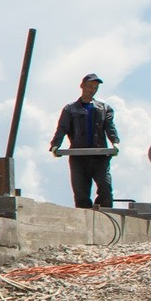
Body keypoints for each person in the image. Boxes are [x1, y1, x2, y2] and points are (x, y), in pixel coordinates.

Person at [49, 73, 120, 209]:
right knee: (81, 192)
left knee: (105, 187)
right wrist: (55, 146)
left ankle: (104, 216)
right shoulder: (70, 109)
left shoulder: (104, 109)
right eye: (89, 86)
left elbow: (110, 127)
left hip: (99, 156)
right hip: (78, 157)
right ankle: (85, 217)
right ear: (82, 86)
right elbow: (62, 128)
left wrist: (115, 142)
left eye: (95, 87)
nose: (92, 89)